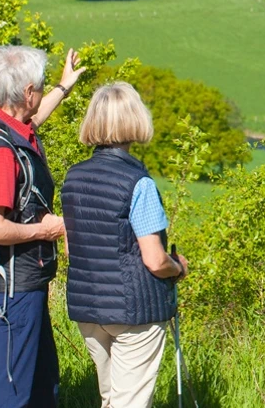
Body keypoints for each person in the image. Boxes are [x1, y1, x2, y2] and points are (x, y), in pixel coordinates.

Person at [0, 45, 86, 408]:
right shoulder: (1, 154)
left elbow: (33, 121)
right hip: (12, 289)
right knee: (11, 391)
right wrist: (44, 231)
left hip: (22, 282)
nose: (42, 91)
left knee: (42, 380)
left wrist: (63, 88)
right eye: (41, 86)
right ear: (27, 92)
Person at [60, 82, 189, 408]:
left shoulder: (73, 178)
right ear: (135, 120)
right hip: (135, 312)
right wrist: (179, 267)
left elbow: (70, 250)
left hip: (87, 309)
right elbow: (155, 260)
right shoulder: (139, 184)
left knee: (111, 400)